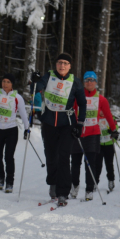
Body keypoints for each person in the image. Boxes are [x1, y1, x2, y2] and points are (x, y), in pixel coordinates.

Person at [31, 53, 86, 206]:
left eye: (65, 63)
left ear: (70, 66)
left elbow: (82, 104)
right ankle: (53, 183)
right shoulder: (48, 77)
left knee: (64, 157)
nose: (62, 65)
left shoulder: (75, 81)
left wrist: (80, 124)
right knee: (50, 156)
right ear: (56, 65)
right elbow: (35, 89)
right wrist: (34, 81)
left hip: (67, 123)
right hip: (49, 122)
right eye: (59, 62)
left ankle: (63, 192)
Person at [70, 71, 117, 200]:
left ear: (96, 82)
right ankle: (74, 186)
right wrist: (73, 126)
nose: (89, 82)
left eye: (91, 80)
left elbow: (108, 115)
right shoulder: (77, 97)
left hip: (93, 134)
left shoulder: (101, 99)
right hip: (78, 134)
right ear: (83, 82)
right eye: (86, 80)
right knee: (75, 163)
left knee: (90, 163)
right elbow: (72, 111)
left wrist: (113, 129)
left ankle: (89, 190)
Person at [0, 73, 30, 193]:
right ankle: (1, 178)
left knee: (8, 157)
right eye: (3, 81)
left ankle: (10, 182)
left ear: (12, 84)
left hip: (11, 129)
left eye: (8, 82)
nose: (5, 84)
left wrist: (27, 128)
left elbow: (22, 113)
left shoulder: (18, 97)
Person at [94, 89, 120, 193]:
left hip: (109, 144)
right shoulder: (95, 117)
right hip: (99, 144)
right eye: (99, 109)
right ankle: (95, 182)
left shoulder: (110, 117)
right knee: (97, 165)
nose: (101, 111)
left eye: (102, 109)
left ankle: (111, 180)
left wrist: (113, 131)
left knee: (109, 164)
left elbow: (115, 127)